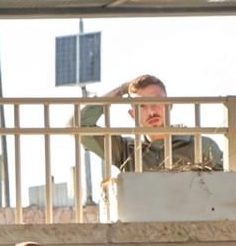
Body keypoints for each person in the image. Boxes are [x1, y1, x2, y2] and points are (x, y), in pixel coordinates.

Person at [78, 74, 224, 173]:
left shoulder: (202, 146)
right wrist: (122, 90)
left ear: (170, 105)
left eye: (156, 102)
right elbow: (78, 125)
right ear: (133, 114)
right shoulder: (126, 150)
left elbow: (227, 192)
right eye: (141, 105)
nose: (151, 111)